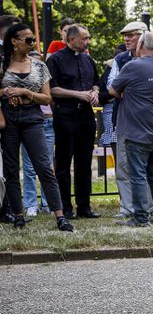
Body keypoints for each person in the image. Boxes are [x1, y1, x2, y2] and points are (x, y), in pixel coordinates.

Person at [1, 22, 71, 230]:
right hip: (9, 120)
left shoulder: (40, 66)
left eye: (33, 39)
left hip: (32, 119)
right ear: (14, 42)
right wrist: (6, 93)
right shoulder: (2, 64)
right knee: (12, 170)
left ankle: (60, 216)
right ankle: (18, 215)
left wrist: (26, 93)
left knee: (44, 168)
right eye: (28, 39)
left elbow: (47, 98)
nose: (32, 43)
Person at [108, 32, 153, 227]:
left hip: (137, 131)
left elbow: (112, 90)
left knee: (137, 175)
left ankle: (141, 218)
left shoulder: (133, 66)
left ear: (141, 44)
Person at [46, 24, 100, 218]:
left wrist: (93, 92)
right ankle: (65, 208)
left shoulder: (88, 59)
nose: (88, 42)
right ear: (71, 40)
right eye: (84, 38)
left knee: (84, 163)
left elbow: (96, 82)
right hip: (65, 114)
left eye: (88, 38)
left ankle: (84, 207)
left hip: (86, 115)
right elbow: (52, 89)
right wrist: (78, 95)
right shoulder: (56, 60)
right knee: (63, 164)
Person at [106, 22, 146, 218]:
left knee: (149, 166)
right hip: (123, 118)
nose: (126, 39)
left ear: (144, 37)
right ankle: (127, 207)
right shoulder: (120, 59)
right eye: (125, 36)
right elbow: (111, 86)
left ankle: (147, 207)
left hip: (148, 121)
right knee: (122, 165)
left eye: (131, 35)